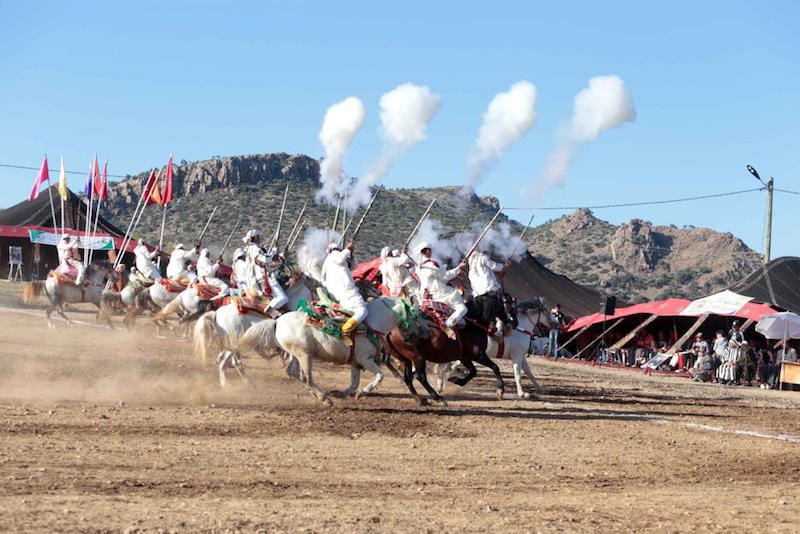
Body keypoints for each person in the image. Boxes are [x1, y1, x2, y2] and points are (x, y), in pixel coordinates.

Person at [416, 242, 467, 339]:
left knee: (462, 321)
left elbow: (436, 273)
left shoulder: (418, 267)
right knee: (463, 309)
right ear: (427, 251)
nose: (431, 252)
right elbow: (444, 276)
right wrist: (459, 268)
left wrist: (443, 268)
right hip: (441, 294)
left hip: (426, 296)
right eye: (430, 250)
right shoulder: (431, 264)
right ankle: (447, 325)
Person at [321, 241, 367, 334]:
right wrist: (348, 249)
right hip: (348, 293)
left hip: (341, 295)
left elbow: (354, 266)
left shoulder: (332, 262)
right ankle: (344, 330)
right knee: (363, 311)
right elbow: (340, 258)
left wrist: (351, 253)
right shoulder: (334, 255)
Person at [467, 248, 506, 334]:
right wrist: (505, 266)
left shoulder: (470, 268)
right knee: (505, 306)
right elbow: (495, 266)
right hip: (490, 292)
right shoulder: (482, 257)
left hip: (477, 296)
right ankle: (504, 328)